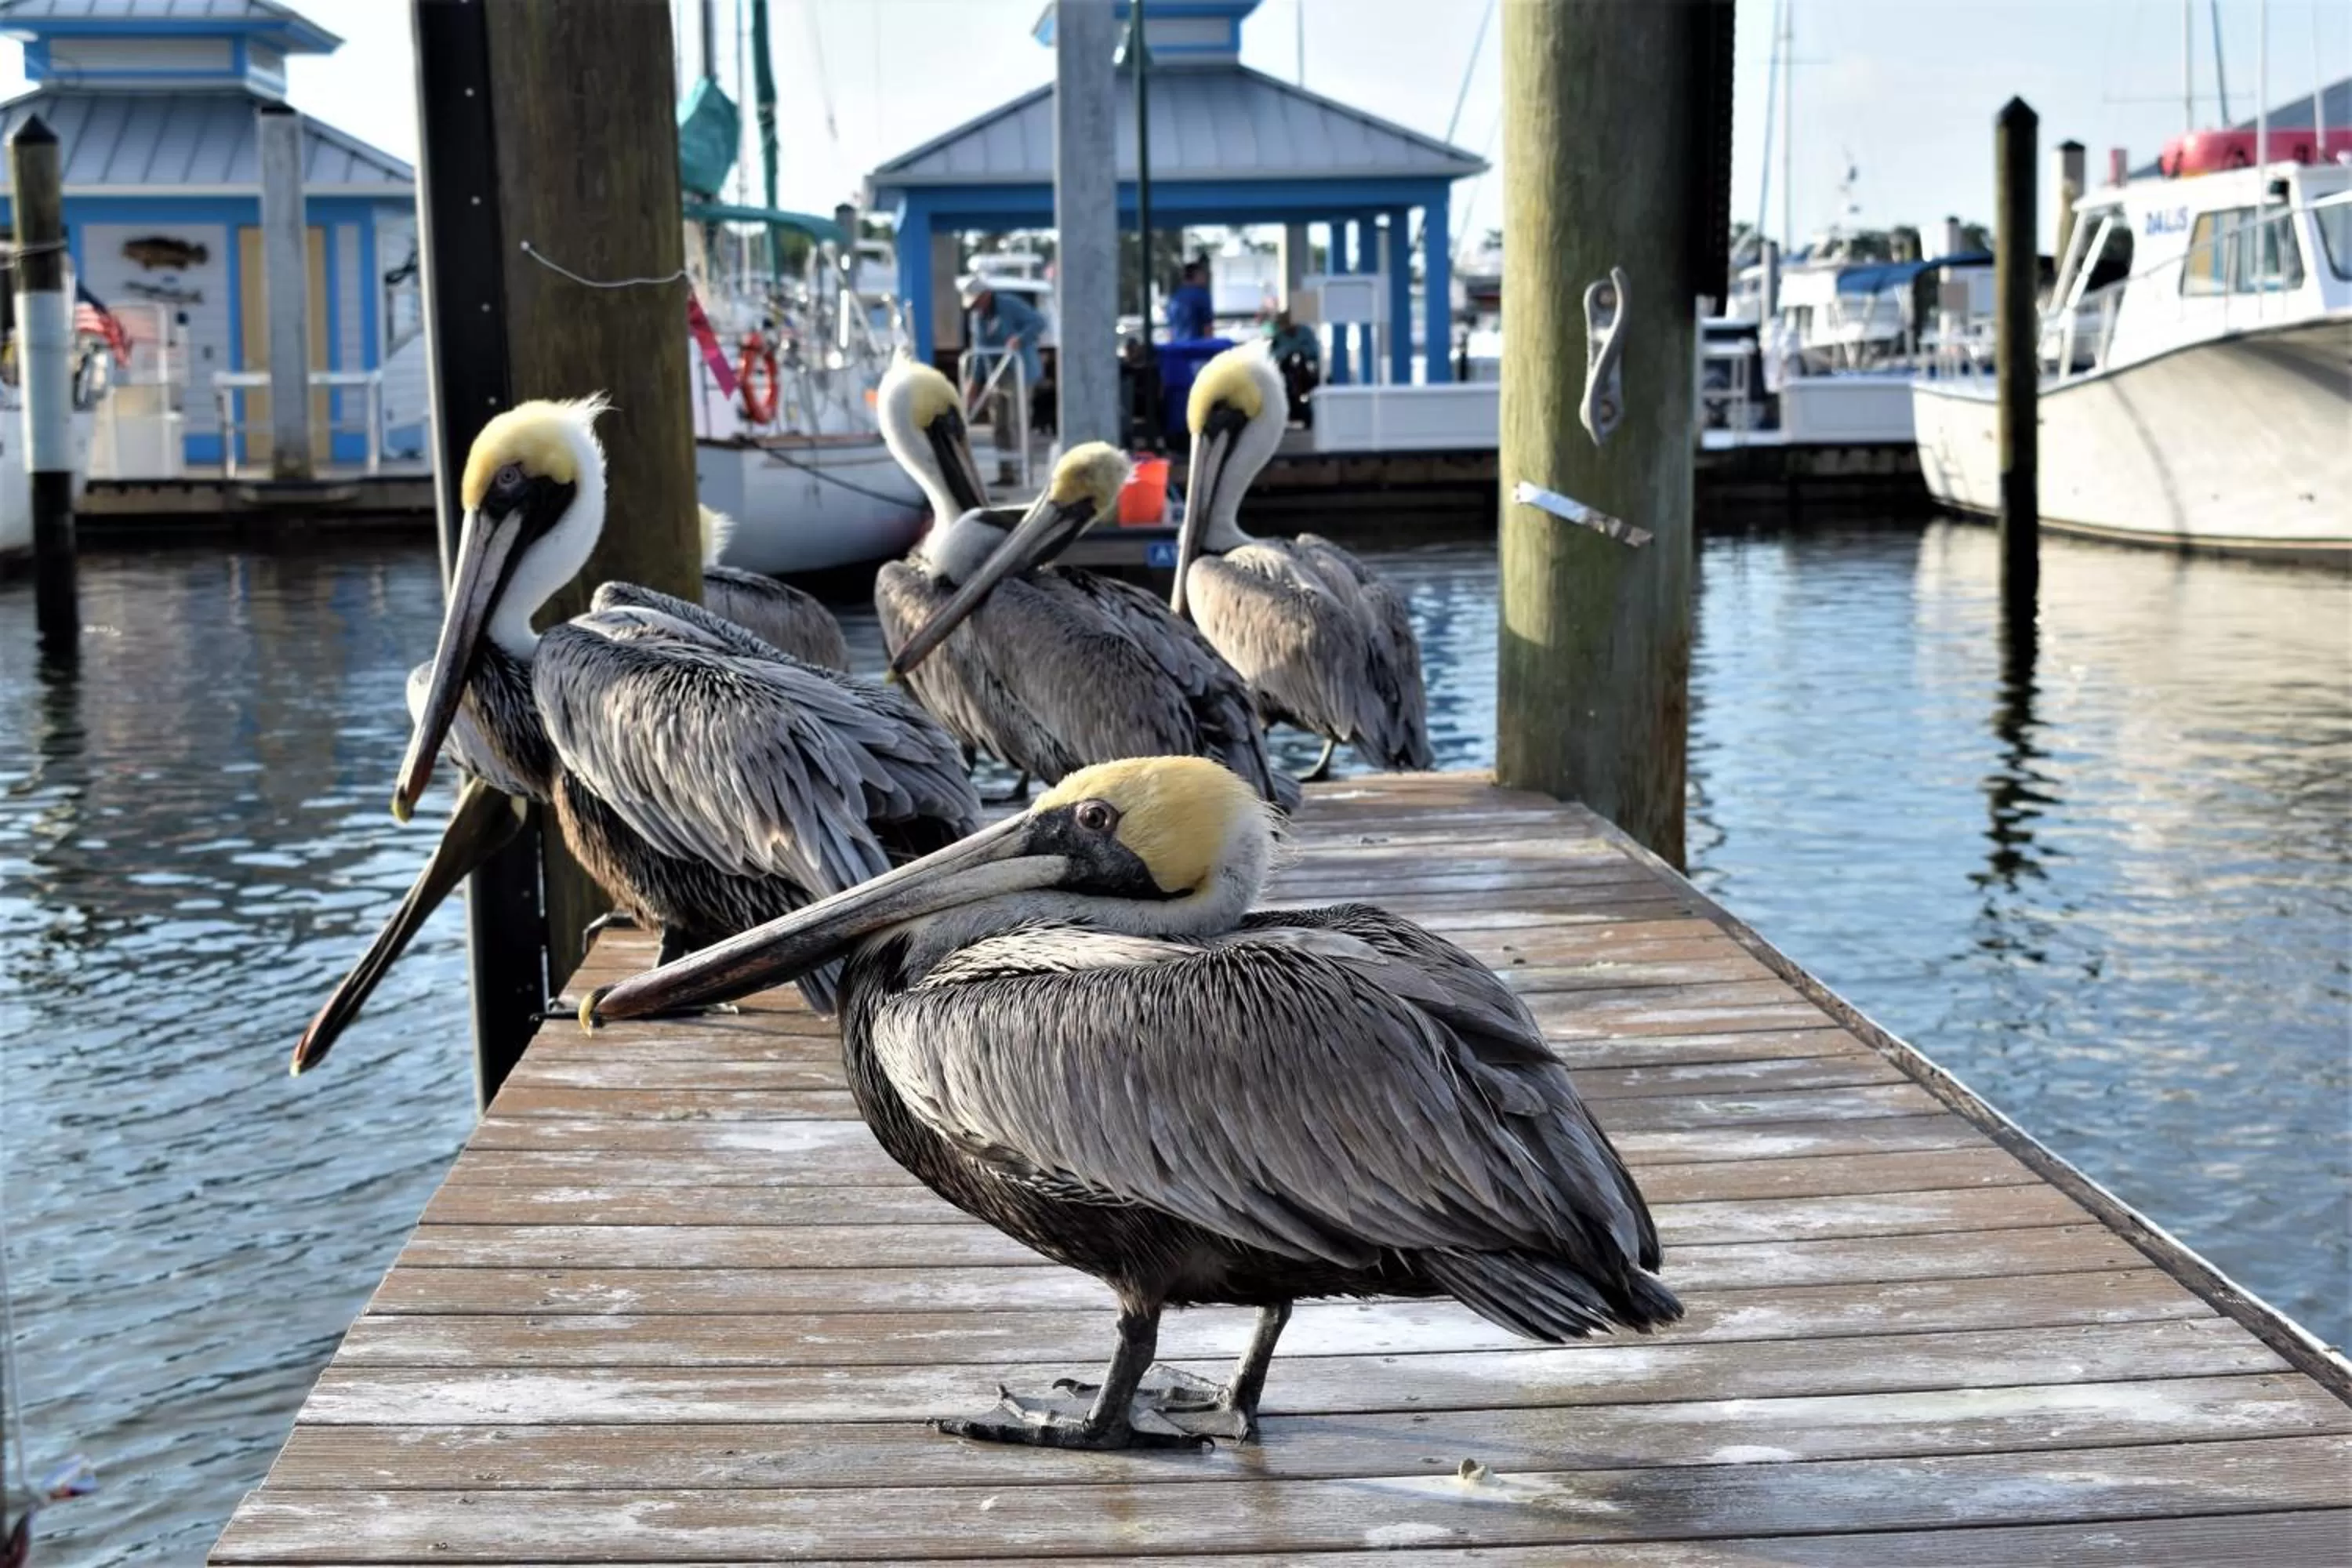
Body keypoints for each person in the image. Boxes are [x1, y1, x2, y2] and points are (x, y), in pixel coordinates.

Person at [960, 276, 1047, 484]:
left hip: (1019, 371)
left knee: (1015, 421)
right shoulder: (979, 318)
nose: (975, 307)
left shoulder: (1010, 305)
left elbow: (1038, 322)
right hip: (996, 375)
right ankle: (1006, 473)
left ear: (986, 295)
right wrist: (974, 384)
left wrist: (1020, 338)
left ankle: (1021, 472)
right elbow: (980, 352)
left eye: (977, 301)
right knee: (999, 423)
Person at [1265, 309, 1319, 426]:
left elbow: (1315, 351)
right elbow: (1273, 355)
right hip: (1287, 371)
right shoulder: (1279, 337)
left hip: (1305, 369)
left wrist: (1302, 352)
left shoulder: (1306, 333)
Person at [1166, 260, 1214, 340]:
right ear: (1197, 275)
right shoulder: (1201, 295)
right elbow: (1207, 327)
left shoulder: (1175, 297)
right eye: (1203, 275)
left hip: (1179, 347)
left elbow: (1171, 330)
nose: (1205, 279)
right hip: (1197, 347)